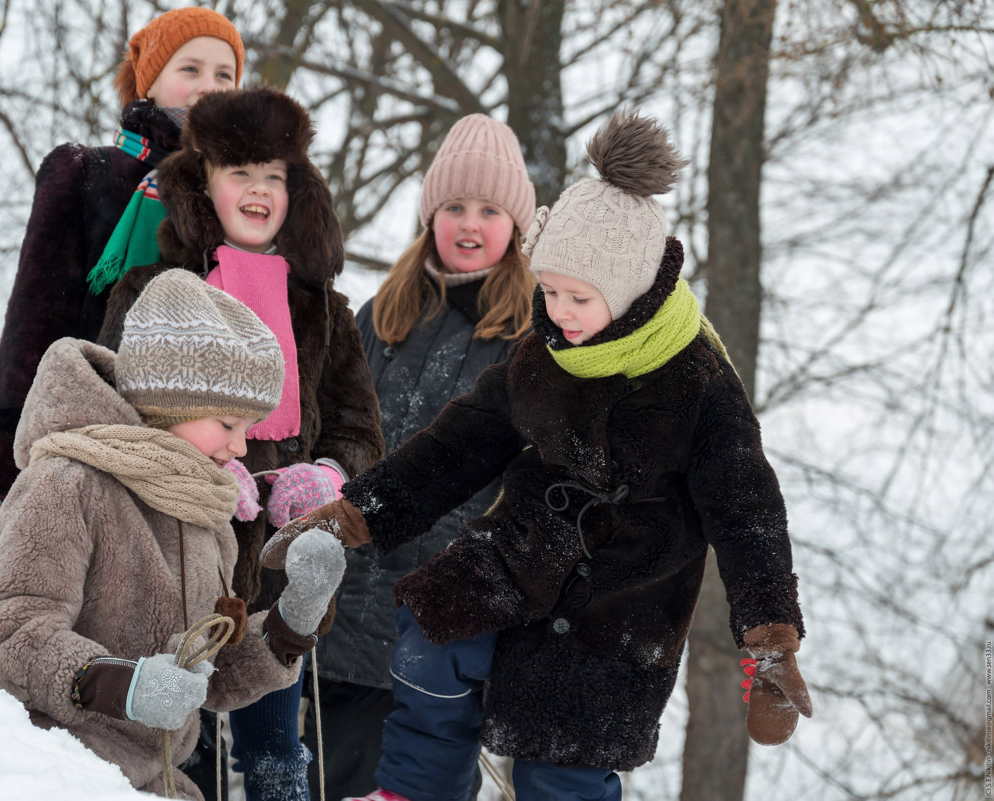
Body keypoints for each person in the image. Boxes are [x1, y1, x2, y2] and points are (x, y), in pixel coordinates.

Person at [265, 111, 814, 801]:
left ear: (632, 290)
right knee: (434, 626)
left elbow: (748, 512)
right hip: (518, 553)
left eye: (579, 297)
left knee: (561, 759)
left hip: (622, 605)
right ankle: (415, 790)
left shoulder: (698, 383)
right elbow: (464, 438)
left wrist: (769, 638)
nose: (560, 311)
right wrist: (358, 511)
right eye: (550, 292)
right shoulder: (549, 347)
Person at [97, 87, 384, 801]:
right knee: (177, 755)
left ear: (297, 191)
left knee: (277, 757)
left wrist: (327, 475)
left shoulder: (327, 312)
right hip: (173, 564)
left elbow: (362, 430)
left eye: (274, 175)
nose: (257, 189)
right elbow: (111, 419)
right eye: (238, 172)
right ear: (205, 185)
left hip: (280, 581)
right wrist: (191, 472)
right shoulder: (151, 290)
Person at [0, 269, 347, 800]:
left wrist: (289, 624)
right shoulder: (66, 482)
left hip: (147, 779)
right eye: (229, 424)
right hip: (36, 763)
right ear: (172, 404)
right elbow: (8, 630)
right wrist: (125, 685)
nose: (240, 449)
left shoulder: (204, 515)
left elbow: (207, 676)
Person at [305, 114, 536, 800]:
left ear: (516, 224)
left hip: (438, 632)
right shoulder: (382, 314)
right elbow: (331, 428)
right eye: (454, 206)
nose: (470, 223)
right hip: (334, 618)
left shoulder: (531, 337)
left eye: (490, 209)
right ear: (430, 215)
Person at [0, 6, 246, 521]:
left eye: (224, 74)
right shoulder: (84, 172)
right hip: (86, 440)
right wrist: (3, 468)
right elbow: (32, 322)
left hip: (198, 471)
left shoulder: (245, 197)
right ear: (150, 81)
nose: (209, 85)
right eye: (190, 69)